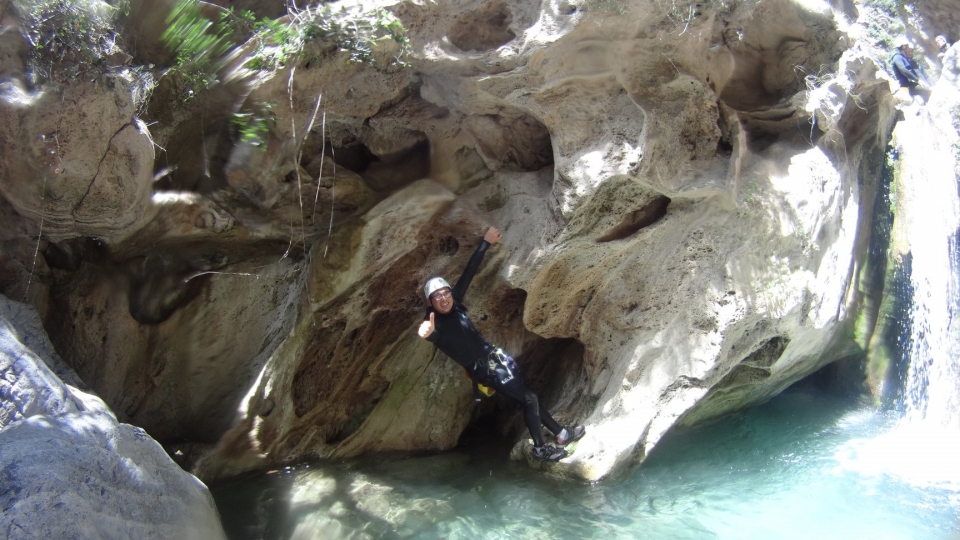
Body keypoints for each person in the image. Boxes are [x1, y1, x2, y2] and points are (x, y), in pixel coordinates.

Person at [417, 226, 585, 462]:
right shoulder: (437, 324)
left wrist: (485, 242)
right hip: (484, 370)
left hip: (495, 358)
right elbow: (434, 336)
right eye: (438, 296)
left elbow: (468, 273)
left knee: (528, 397)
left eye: (446, 293)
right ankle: (540, 449)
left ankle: (561, 433)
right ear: (430, 302)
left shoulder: (454, 305)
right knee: (528, 399)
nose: (444, 298)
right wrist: (428, 332)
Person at [889, 36, 930, 105]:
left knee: (927, 92)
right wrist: (917, 80)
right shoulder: (897, 57)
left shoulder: (902, 57)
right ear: (904, 47)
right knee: (928, 91)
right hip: (906, 87)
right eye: (907, 47)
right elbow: (903, 69)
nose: (909, 49)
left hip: (909, 85)